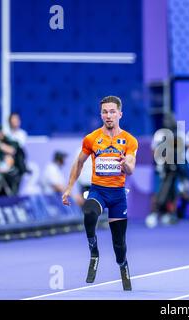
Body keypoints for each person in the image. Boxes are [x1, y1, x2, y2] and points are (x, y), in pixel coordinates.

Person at [62, 96, 138, 291]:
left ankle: (123, 265)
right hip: (98, 191)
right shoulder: (92, 138)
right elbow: (79, 162)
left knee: (119, 244)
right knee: (89, 212)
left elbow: (131, 168)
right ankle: (93, 250)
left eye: (112, 111)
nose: (108, 115)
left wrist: (124, 164)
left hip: (118, 196)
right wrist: (69, 187)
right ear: (101, 114)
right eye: (105, 112)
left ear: (120, 114)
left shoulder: (130, 140)